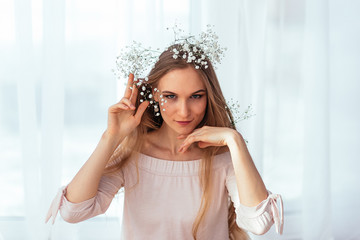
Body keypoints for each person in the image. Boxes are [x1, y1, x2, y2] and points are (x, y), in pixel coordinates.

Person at [45, 41, 284, 240]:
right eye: (171, 96)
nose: (184, 112)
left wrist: (234, 140)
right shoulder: (134, 153)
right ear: (155, 96)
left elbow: (258, 223)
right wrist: (111, 138)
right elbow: (73, 211)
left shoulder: (223, 159)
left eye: (196, 97)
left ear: (208, 97)